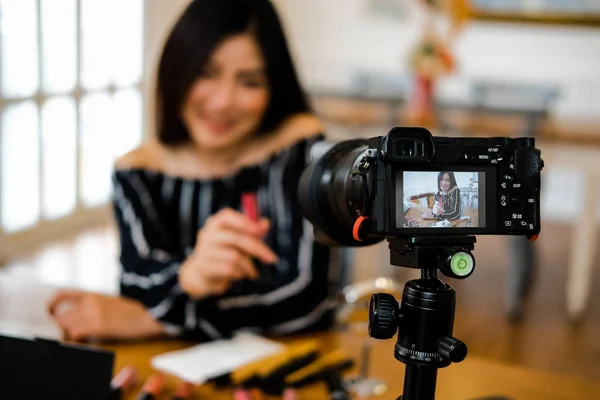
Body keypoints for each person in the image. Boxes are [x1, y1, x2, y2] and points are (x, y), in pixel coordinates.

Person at [47, 0, 342, 342]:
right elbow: (137, 283)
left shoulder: (298, 148)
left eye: (249, 82)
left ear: (274, 87)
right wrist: (190, 276)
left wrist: (152, 320)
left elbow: (308, 298)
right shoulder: (138, 171)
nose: (222, 101)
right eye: (205, 73)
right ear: (176, 70)